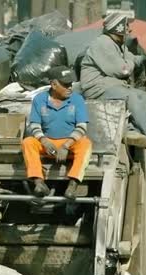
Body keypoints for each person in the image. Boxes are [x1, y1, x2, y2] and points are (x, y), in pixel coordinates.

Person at [80, 13, 146, 153]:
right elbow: (122, 70)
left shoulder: (118, 45)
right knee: (131, 96)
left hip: (110, 84)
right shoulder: (102, 43)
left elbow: (131, 59)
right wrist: (132, 63)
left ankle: (133, 130)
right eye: (126, 26)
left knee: (142, 95)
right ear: (118, 28)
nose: (129, 29)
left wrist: (144, 59)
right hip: (96, 87)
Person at [23, 66, 93, 200]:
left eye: (71, 84)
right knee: (28, 142)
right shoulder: (39, 99)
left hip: (69, 144)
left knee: (85, 144)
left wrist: (66, 146)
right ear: (54, 85)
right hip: (48, 143)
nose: (70, 88)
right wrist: (44, 140)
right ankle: (39, 182)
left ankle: (72, 185)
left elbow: (82, 126)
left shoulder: (77, 99)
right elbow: (35, 125)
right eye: (66, 85)